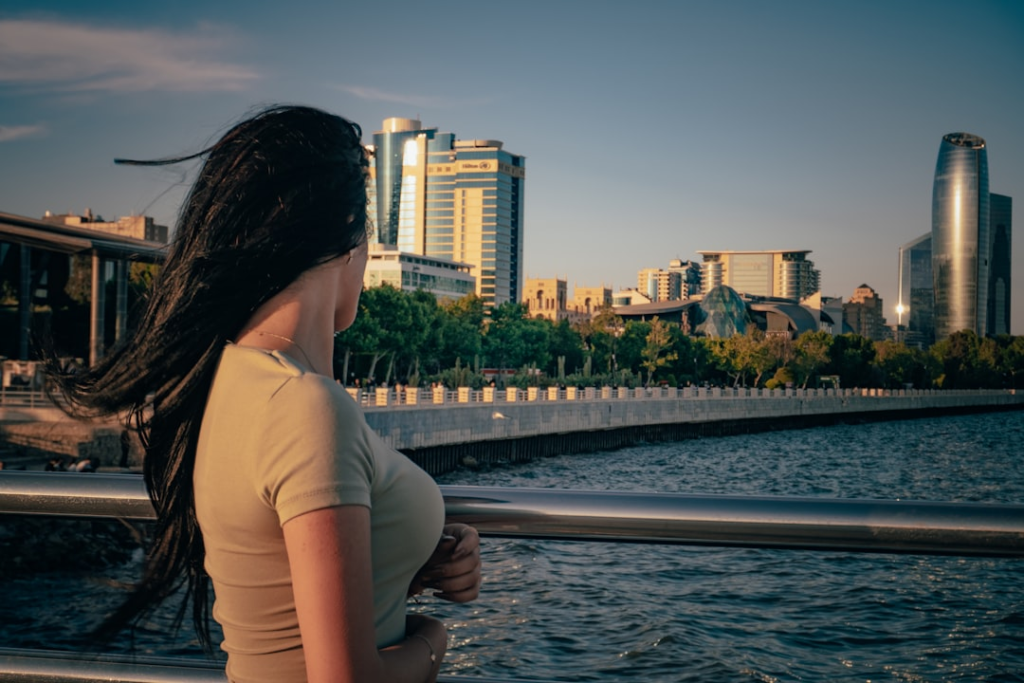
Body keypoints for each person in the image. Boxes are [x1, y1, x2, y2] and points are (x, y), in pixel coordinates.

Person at [46, 105, 481, 682]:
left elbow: (279, 581)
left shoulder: (227, 379)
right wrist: (433, 638)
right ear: (348, 236)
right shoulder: (307, 407)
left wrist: (404, 563)